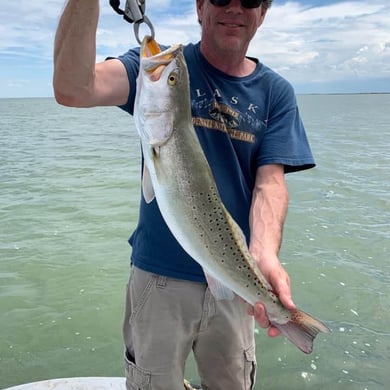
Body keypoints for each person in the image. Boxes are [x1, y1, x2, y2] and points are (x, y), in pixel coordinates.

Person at [53, 0, 315, 389]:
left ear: (264, 12)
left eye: (250, 0)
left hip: (234, 278)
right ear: (199, 7)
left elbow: (270, 183)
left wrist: (265, 254)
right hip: (158, 276)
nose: (235, 8)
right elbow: (73, 88)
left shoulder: (275, 92)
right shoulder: (162, 68)